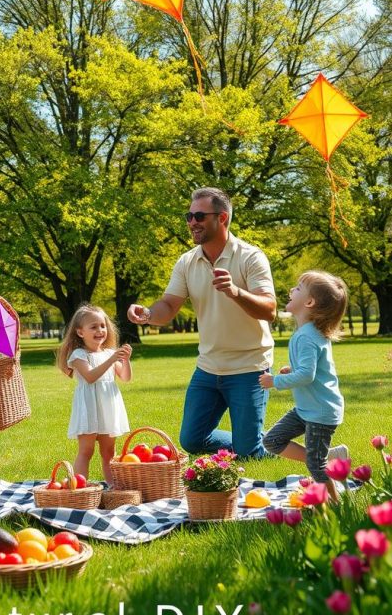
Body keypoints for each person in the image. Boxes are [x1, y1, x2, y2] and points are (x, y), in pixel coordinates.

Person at [128, 187, 276, 458]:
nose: (191, 222)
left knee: (248, 452)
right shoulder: (187, 261)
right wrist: (148, 314)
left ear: (222, 218)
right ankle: (254, 439)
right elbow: (169, 306)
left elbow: (269, 309)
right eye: (188, 216)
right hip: (208, 367)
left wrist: (236, 292)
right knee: (193, 440)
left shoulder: (250, 257)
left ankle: (264, 443)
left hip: (249, 366)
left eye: (199, 216)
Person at [260, 271, 348, 501]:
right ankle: (330, 456)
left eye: (298, 288)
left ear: (309, 302)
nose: (291, 290)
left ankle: (336, 505)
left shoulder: (307, 336)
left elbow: (307, 376)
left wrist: (275, 381)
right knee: (272, 441)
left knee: (315, 466)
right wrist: (293, 369)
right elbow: (312, 369)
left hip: (320, 412)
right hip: (308, 408)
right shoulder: (308, 334)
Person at [57, 304, 132, 483]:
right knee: (86, 450)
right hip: (89, 407)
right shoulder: (78, 354)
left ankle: (113, 488)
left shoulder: (109, 353)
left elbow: (125, 377)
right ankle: (79, 488)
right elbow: (90, 377)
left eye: (103, 325)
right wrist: (112, 359)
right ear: (80, 332)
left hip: (108, 406)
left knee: (109, 452)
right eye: (94, 327)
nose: (100, 330)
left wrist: (126, 361)